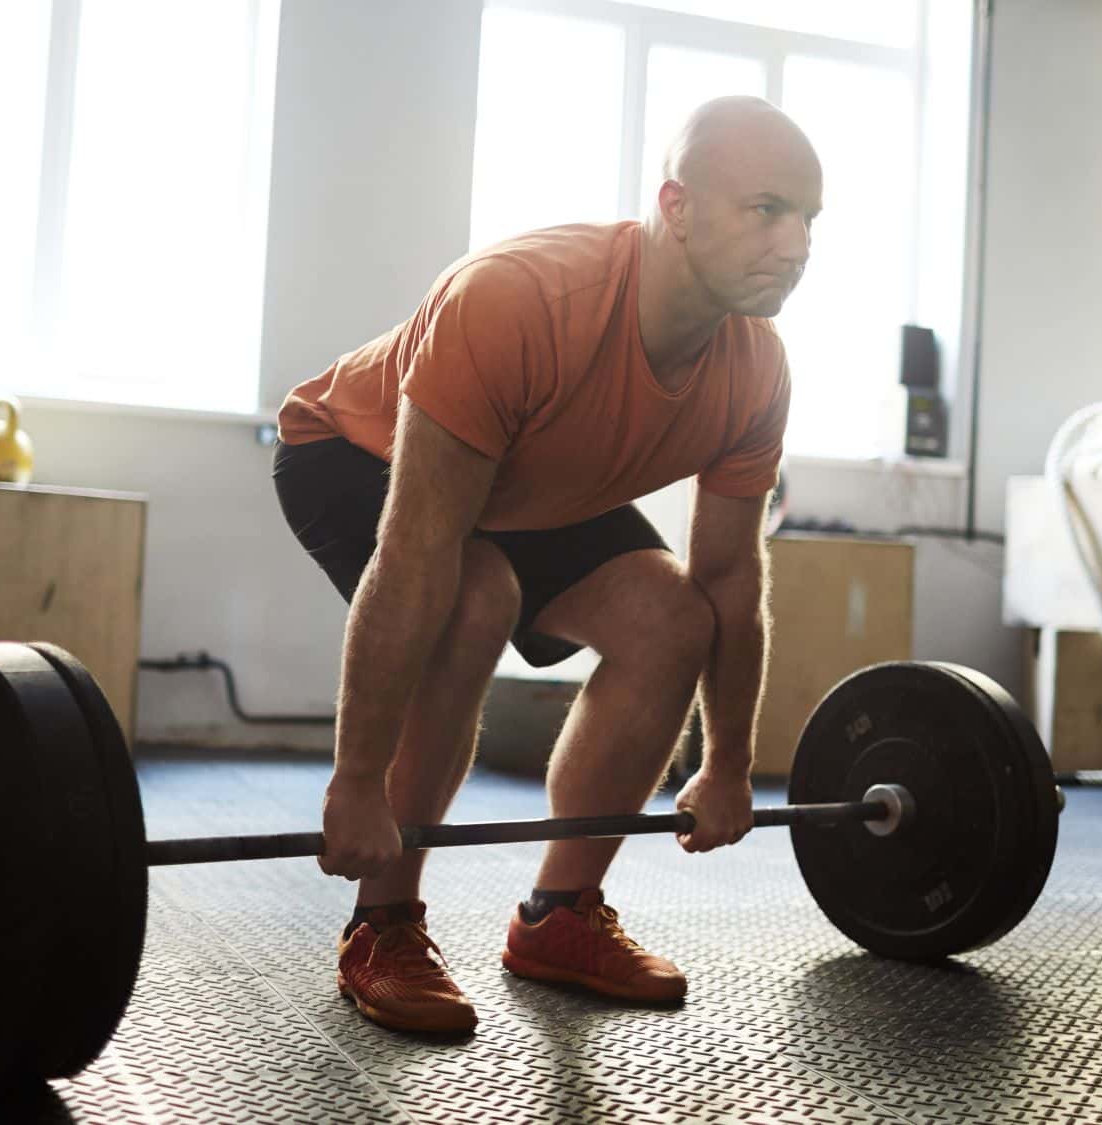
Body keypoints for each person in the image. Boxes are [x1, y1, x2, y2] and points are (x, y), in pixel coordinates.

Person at [271, 95, 821, 1034]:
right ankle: (384, 921)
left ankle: (559, 915)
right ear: (676, 205)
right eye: (766, 208)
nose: (796, 241)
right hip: (356, 449)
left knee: (673, 618)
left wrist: (729, 764)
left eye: (808, 217)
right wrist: (356, 782)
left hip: (534, 477)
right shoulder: (518, 300)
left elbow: (731, 580)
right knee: (472, 593)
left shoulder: (755, 370)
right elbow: (417, 552)